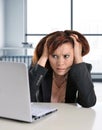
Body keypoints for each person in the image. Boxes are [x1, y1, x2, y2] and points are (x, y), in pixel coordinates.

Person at [29, 30, 96, 108]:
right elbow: (25, 98)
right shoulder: (38, 70)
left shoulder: (81, 70)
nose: (60, 63)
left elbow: (89, 102)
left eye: (66, 56)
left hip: (68, 118)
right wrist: (44, 56)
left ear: (74, 55)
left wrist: (78, 57)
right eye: (54, 56)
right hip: (43, 119)